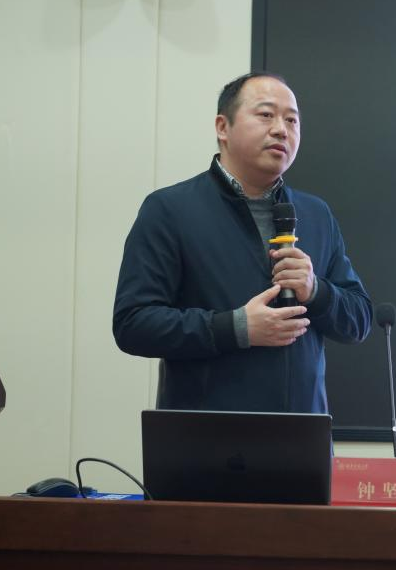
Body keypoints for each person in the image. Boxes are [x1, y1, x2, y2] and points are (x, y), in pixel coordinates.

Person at [113, 72, 372, 413]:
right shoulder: (169, 210)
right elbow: (133, 324)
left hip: (300, 432)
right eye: (266, 115)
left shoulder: (315, 213)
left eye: (292, 120)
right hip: (205, 433)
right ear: (223, 127)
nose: (281, 130)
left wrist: (315, 290)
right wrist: (236, 328)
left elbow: (359, 320)